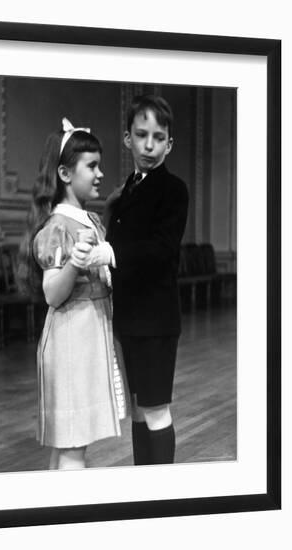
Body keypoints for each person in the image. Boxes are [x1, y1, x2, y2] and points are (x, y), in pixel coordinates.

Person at [18, 118, 126, 470]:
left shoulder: (90, 221)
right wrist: (75, 262)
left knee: (71, 444)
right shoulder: (58, 227)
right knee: (72, 446)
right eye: (91, 166)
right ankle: (70, 519)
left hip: (90, 335)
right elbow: (52, 294)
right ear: (65, 174)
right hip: (70, 341)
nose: (99, 173)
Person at [104, 95, 189, 465]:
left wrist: (112, 254)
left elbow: (162, 250)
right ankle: (145, 488)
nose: (149, 145)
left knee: (155, 410)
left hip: (155, 322)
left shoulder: (173, 190)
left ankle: (162, 494)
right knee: (138, 409)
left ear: (169, 143)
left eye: (158, 137)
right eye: (141, 135)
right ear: (128, 139)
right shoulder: (126, 190)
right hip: (128, 319)